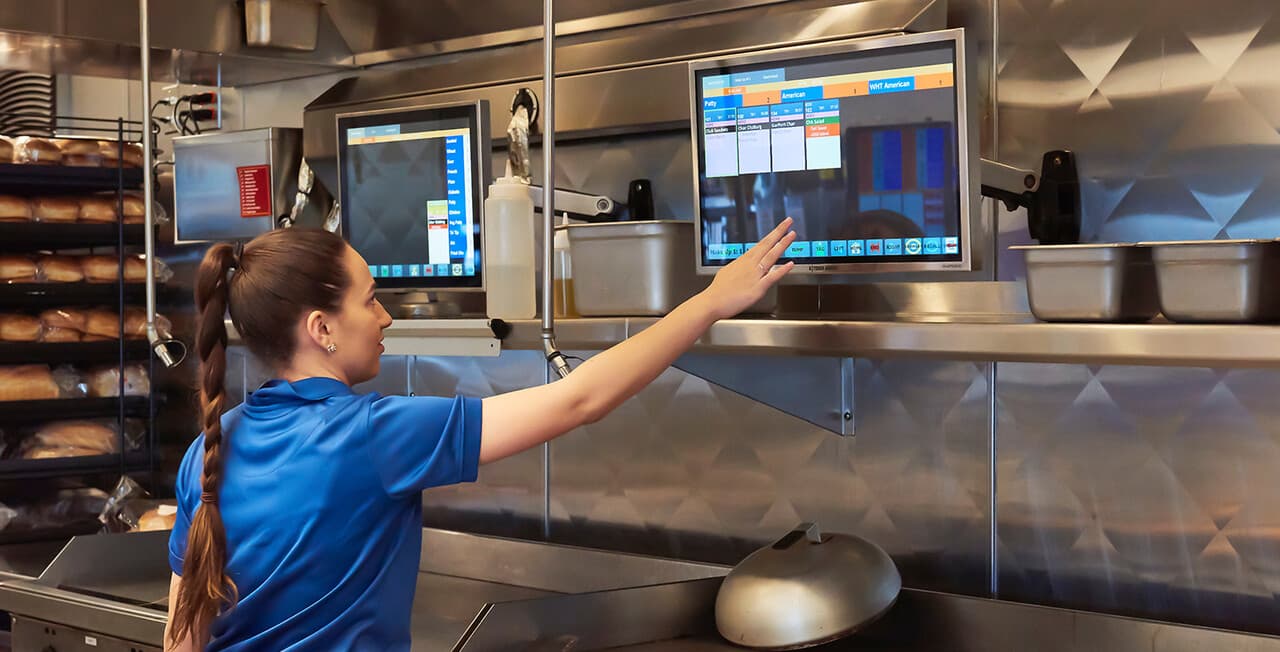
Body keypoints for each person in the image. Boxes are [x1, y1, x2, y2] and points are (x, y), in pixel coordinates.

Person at [164, 219, 796, 650]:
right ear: (321, 328)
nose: (385, 317)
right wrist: (709, 303)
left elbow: (181, 637)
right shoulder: (374, 435)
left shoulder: (207, 452)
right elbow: (580, 399)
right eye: (371, 299)